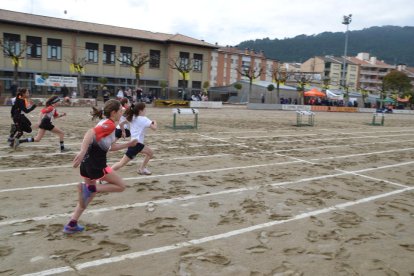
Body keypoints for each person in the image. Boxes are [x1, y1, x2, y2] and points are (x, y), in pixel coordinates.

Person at [63, 99, 138, 234]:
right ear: (114, 112)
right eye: (120, 110)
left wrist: (128, 144)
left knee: (89, 196)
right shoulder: (108, 124)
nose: (122, 112)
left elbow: (111, 147)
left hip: (87, 164)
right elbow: (89, 133)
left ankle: (71, 223)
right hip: (96, 164)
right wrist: (82, 151)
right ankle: (89, 187)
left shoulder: (106, 123)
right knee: (121, 186)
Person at [111, 102, 157, 175]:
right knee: (121, 163)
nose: (146, 111)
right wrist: (155, 121)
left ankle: (142, 169)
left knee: (150, 153)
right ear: (140, 111)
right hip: (136, 144)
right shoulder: (144, 119)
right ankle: (105, 175)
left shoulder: (132, 117)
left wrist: (123, 131)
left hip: (135, 144)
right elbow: (154, 128)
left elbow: (121, 123)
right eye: (145, 109)